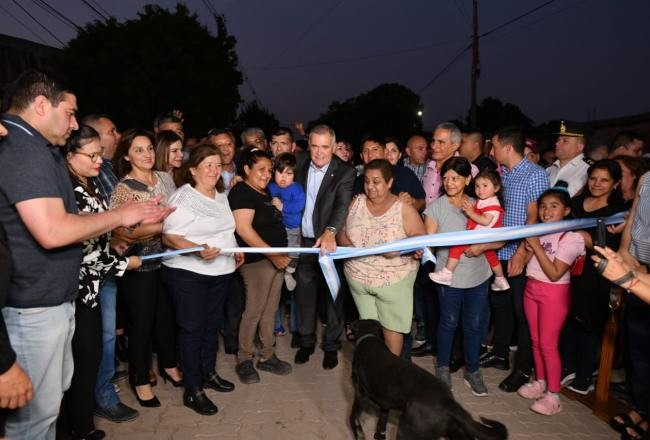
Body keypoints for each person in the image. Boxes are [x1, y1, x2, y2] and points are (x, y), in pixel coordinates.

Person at [0, 70, 169, 439]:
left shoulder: (37, 149)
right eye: (71, 113)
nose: (76, 123)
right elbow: (52, 230)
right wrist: (123, 216)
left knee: (46, 411)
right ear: (42, 105)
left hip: (55, 300)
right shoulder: (22, 148)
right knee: (31, 421)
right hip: (32, 307)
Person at [62, 125, 142, 439]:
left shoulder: (90, 183)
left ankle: (82, 426)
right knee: (81, 363)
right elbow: (81, 252)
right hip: (78, 291)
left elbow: (96, 238)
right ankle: (76, 429)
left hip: (93, 290)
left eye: (100, 153)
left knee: (89, 360)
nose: (100, 160)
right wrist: (124, 262)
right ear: (69, 155)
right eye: (92, 155)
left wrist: (113, 245)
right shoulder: (71, 190)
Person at [162, 144, 242, 415]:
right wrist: (198, 249)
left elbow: (225, 229)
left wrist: (234, 249)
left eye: (217, 165)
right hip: (189, 275)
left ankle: (208, 373)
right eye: (207, 164)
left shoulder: (220, 195)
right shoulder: (183, 197)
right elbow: (169, 236)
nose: (214, 170)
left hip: (220, 272)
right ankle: (193, 388)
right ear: (193, 169)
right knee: (192, 330)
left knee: (211, 327)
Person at [110, 128, 182, 407]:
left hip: (168, 260)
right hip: (139, 265)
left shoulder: (164, 178)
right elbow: (123, 233)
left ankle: (168, 365)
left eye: (150, 148)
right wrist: (160, 225)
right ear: (127, 156)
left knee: (166, 319)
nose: (147, 154)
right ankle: (139, 379)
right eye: (138, 150)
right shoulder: (123, 189)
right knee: (140, 325)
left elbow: (179, 210)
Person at [478, 127, 549, 395]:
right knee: (502, 308)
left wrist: (522, 251)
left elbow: (535, 217)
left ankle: (522, 368)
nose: (491, 151)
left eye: (494, 146)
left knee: (523, 314)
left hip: (521, 254)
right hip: (499, 253)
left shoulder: (535, 174)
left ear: (507, 147)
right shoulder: (502, 174)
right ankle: (499, 354)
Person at [338, 159, 424, 355]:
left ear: (390, 182)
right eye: (367, 181)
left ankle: (391, 372)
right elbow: (341, 228)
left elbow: (421, 239)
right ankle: (373, 368)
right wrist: (346, 243)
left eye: (376, 182)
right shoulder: (357, 202)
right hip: (359, 279)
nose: (370, 187)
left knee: (391, 329)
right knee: (368, 328)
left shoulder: (403, 208)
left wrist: (400, 249)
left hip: (393, 281)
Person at [424, 157, 493, 396]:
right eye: (445, 178)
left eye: (455, 178)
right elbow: (428, 244)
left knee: (474, 325)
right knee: (449, 322)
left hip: (478, 275)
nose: (449, 183)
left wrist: (482, 248)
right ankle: (442, 368)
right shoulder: (435, 208)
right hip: (448, 276)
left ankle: (473, 371)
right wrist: (419, 252)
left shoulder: (480, 204)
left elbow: (498, 235)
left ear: (468, 179)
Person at [560, 160, 628, 395]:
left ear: (616, 183)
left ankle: (584, 375)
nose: (597, 184)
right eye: (593, 178)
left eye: (604, 180)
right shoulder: (577, 203)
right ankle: (566, 366)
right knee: (566, 318)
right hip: (566, 268)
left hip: (595, 274)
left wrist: (587, 239)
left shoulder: (618, 212)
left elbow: (614, 247)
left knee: (588, 323)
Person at [516, 186, 585, 416]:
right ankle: (541, 382)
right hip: (531, 287)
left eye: (553, 206)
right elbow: (527, 263)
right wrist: (527, 248)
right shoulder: (540, 231)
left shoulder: (572, 237)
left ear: (566, 210)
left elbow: (555, 273)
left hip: (553, 292)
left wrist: (535, 245)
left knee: (548, 344)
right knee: (535, 341)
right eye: (543, 206)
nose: (546, 211)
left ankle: (554, 395)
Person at [293, 124, 356, 370]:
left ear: (333, 146)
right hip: (303, 243)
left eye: (325, 147)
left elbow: (341, 205)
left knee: (333, 296)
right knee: (305, 296)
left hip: (329, 244)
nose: (319, 153)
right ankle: (306, 342)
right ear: (309, 145)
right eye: (315, 146)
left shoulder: (345, 172)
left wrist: (330, 232)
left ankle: (331, 346)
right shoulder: (298, 163)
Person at [228, 148, 293, 384]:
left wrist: (279, 256)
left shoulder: (263, 193)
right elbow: (244, 229)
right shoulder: (241, 192)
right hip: (259, 262)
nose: (267, 174)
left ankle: (267, 356)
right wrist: (273, 255)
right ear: (246, 169)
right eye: (261, 169)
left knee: (269, 311)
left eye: (269, 170)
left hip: (276, 260)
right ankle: (244, 359)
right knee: (254, 310)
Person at [609, 170, 650, 440]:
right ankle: (642, 408)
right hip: (639, 265)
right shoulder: (647, 177)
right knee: (640, 347)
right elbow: (635, 213)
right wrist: (624, 251)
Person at [429, 169, 510, 291]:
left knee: (456, 246)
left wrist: (470, 212)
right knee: (492, 257)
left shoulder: (492, 204)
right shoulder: (483, 201)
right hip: (484, 236)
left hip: (481, 236)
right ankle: (500, 278)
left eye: (485, 186)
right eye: (477, 186)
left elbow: (485, 221)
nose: (480, 189)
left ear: (496, 188)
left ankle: (447, 273)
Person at [352, 136, 425, 212]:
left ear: (385, 152)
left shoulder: (404, 173)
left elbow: (422, 203)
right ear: (361, 156)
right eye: (365, 151)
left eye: (375, 149)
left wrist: (412, 201)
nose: (370, 154)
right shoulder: (359, 182)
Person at [268, 153, 306, 291]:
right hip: (276, 228)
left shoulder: (296, 188)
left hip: (292, 227)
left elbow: (299, 205)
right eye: (280, 172)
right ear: (274, 172)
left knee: (294, 251)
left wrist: (282, 206)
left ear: (294, 175)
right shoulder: (270, 186)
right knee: (277, 253)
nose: (283, 177)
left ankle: (289, 273)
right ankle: (279, 273)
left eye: (288, 173)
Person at [422, 122, 479, 205]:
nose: (433, 146)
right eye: (433, 141)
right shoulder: (427, 166)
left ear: (455, 146)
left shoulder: (470, 170)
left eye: (441, 142)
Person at [546, 120, 591, 197]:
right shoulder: (548, 170)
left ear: (579, 147)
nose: (556, 143)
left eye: (565, 141)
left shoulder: (588, 170)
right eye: (558, 140)